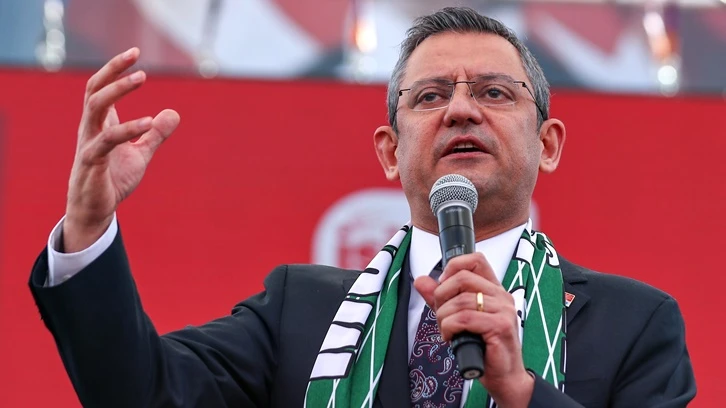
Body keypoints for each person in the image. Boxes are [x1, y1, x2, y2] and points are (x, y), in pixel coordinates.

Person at [29, 7, 696, 408]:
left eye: (494, 93)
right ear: (389, 152)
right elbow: (139, 393)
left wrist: (521, 392)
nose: (461, 109)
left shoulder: (635, 323)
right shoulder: (299, 311)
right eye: (430, 96)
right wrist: (89, 226)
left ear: (548, 145)